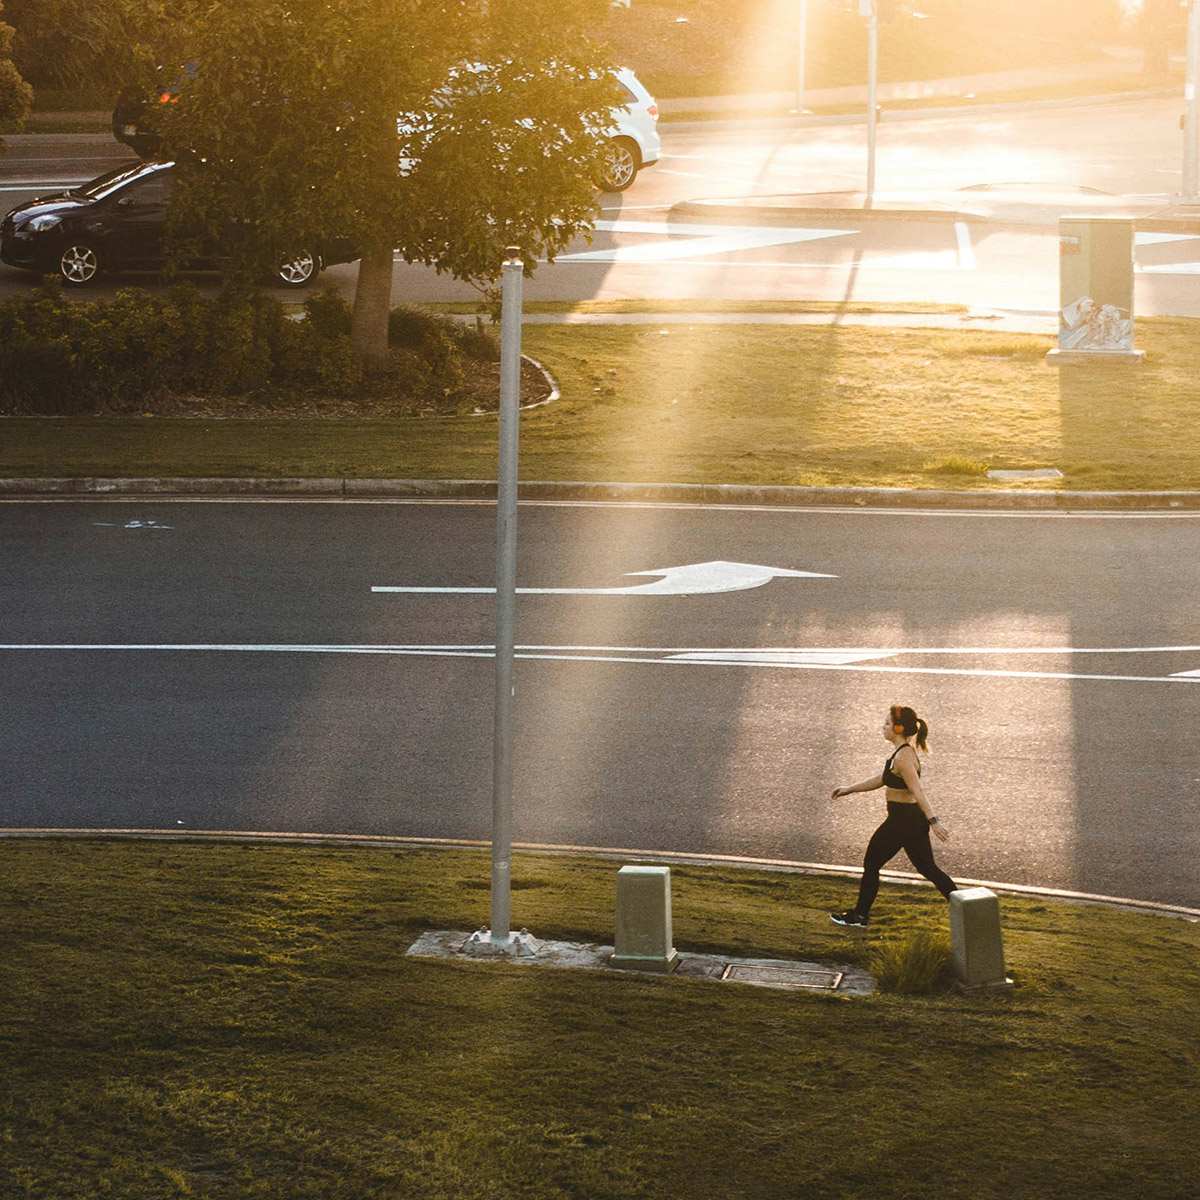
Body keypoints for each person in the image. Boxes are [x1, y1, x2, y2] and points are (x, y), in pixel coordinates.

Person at [828, 704, 957, 928]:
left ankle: (859, 916)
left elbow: (918, 791)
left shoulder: (903, 757)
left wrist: (934, 821)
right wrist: (850, 789)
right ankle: (967, 909)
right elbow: (882, 779)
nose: (883, 727)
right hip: (911, 820)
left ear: (898, 729)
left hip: (902, 821)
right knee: (928, 868)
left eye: (887, 724)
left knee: (871, 863)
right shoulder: (901, 753)